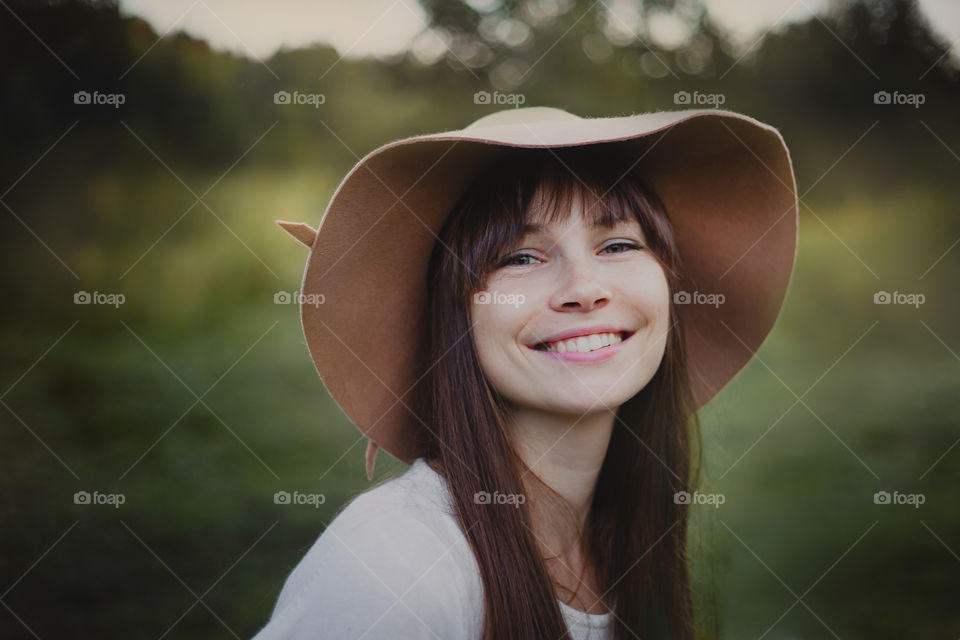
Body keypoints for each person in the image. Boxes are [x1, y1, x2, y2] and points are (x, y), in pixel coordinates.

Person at [253, 106, 798, 640]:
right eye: (520, 258)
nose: (585, 289)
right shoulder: (393, 567)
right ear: (455, 312)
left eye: (618, 245)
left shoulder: (627, 543)